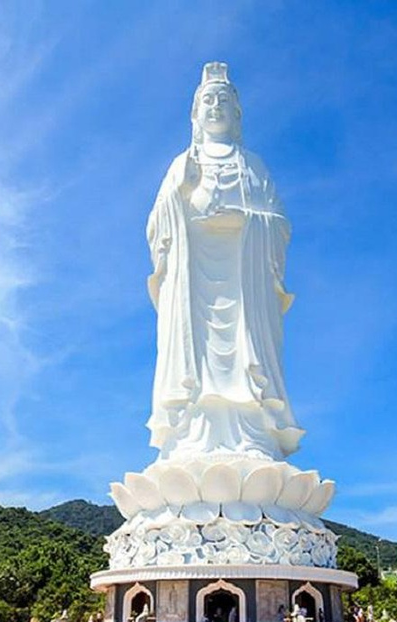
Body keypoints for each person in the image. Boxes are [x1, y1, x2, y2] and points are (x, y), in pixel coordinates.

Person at [146, 61, 303, 461]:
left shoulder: (252, 166)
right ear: (195, 114)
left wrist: (247, 223)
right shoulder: (181, 165)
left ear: (236, 113)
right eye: (207, 101)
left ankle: (254, 437)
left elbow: (280, 225)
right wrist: (178, 198)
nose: (215, 107)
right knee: (193, 366)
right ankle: (191, 438)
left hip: (243, 283)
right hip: (192, 281)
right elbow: (156, 227)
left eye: (223, 100)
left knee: (247, 361)